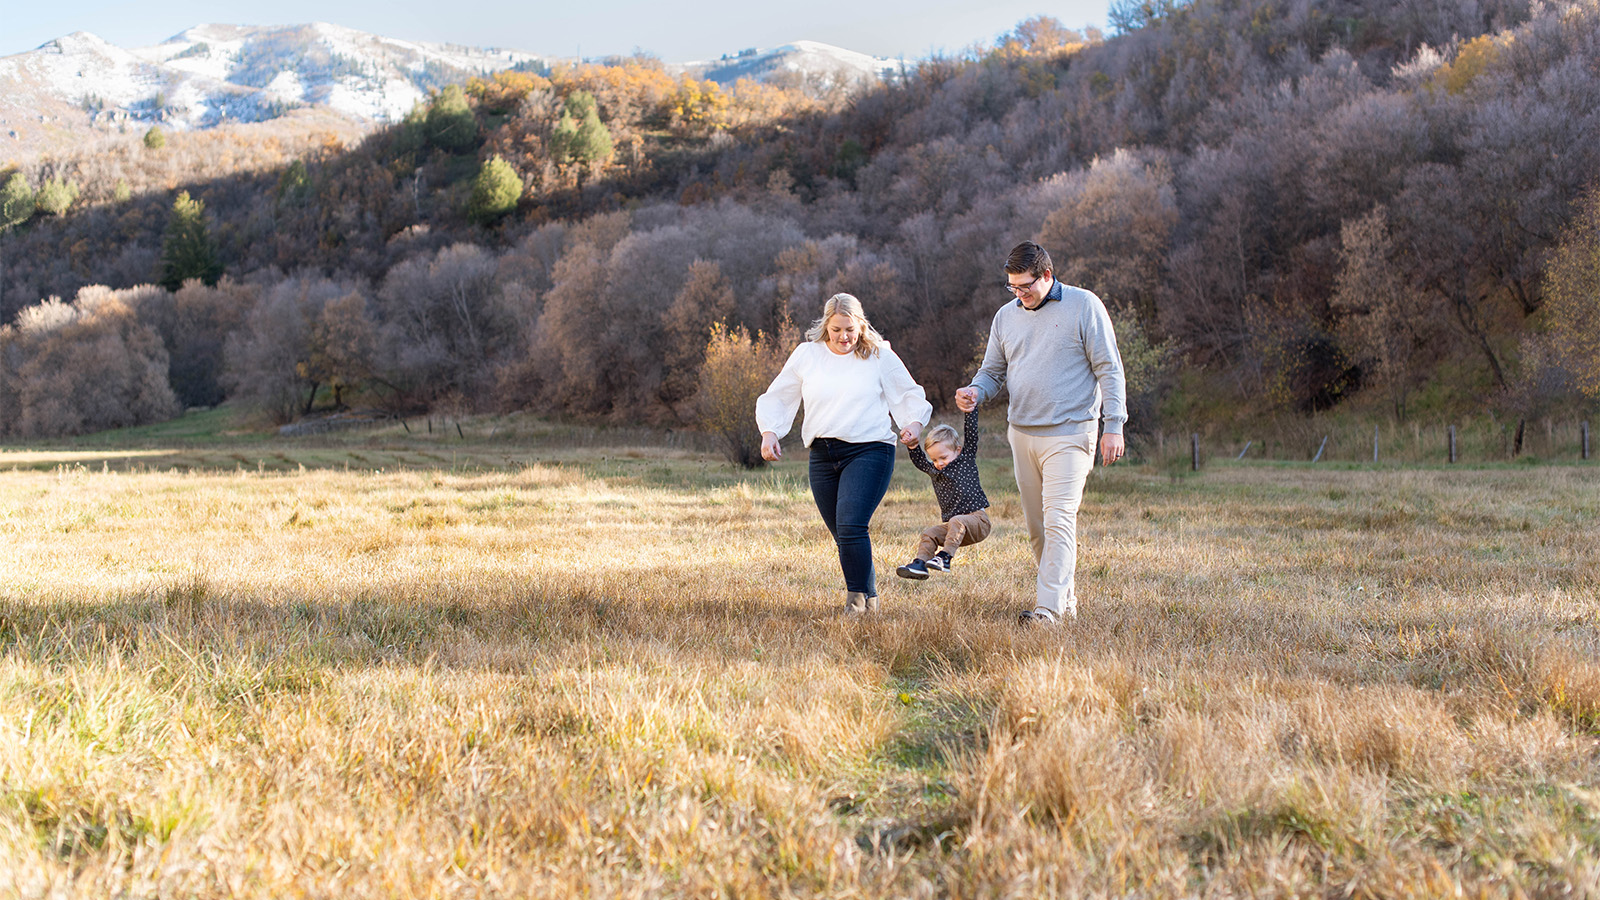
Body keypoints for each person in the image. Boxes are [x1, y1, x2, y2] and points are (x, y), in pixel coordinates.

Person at [955, 241, 1126, 626]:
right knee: (1037, 530)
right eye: (1012, 288)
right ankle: (1063, 599)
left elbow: (1109, 369)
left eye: (1025, 286)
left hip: (1071, 431)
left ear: (1047, 275)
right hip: (1023, 434)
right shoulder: (1006, 316)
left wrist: (1113, 425)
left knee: (1059, 520)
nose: (1020, 294)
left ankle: (1047, 611)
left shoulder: (1085, 306)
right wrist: (975, 391)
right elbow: (992, 371)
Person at [756, 293, 931, 614]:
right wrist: (770, 431)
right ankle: (871, 600)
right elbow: (779, 395)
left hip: (870, 451)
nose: (843, 337)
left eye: (849, 329)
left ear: (860, 325)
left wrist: (914, 424)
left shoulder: (878, 355)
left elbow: (907, 392)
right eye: (836, 330)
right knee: (844, 533)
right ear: (826, 327)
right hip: (822, 455)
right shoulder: (807, 355)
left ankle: (857, 604)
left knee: (851, 526)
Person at [895, 408, 991, 580]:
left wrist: (971, 410)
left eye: (943, 457)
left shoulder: (966, 460)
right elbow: (919, 461)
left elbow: (971, 434)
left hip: (978, 522)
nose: (939, 463)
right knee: (929, 533)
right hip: (956, 529)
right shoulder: (935, 472)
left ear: (958, 450)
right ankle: (920, 565)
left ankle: (945, 557)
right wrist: (912, 445)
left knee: (956, 520)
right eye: (934, 459)